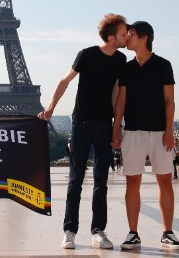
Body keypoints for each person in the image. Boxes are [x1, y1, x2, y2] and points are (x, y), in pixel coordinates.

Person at [38, 14, 128, 250]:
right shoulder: (86, 54)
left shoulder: (121, 60)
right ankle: (70, 230)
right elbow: (65, 81)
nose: (127, 35)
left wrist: (116, 127)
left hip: (104, 124)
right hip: (81, 123)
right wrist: (50, 108)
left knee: (101, 181)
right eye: (123, 33)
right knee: (75, 180)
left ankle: (98, 231)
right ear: (111, 37)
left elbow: (118, 95)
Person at [112, 21, 179, 251]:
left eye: (130, 34)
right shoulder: (126, 68)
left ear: (144, 37)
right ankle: (133, 233)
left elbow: (169, 101)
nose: (127, 38)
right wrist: (116, 128)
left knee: (165, 181)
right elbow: (121, 100)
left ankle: (167, 232)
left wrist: (170, 130)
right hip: (133, 131)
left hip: (159, 132)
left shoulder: (163, 65)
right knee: (132, 182)